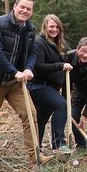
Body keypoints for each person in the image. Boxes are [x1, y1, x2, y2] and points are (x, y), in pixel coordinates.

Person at [0, 0, 52, 171]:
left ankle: (35, 156)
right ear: (15, 6)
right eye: (22, 7)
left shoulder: (30, 30)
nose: (25, 11)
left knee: (30, 114)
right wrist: (14, 71)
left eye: (29, 9)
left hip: (15, 82)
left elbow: (33, 53)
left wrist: (28, 69)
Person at [29, 14, 73, 154]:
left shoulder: (61, 44)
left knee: (42, 117)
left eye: (57, 27)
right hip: (38, 85)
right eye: (51, 26)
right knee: (62, 105)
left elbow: (67, 63)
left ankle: (36, 147)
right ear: (45, 27)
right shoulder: (39, 43)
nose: (54, 29)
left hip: (52, 87)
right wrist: (60, 65)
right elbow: (39, 66)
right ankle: (58, 144)